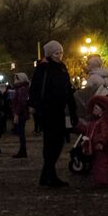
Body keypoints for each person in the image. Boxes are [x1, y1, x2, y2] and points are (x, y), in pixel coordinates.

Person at [31, 41, 78, 188]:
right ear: (50, 54)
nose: (59, 56)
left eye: (61, 53)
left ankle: (47, 174)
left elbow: (68, 89)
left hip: (59, 109)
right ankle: (49, 175)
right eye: (56, 53)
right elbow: (36, 89)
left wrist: (72, 109)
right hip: (48, 109)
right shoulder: (44, 68)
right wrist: (38, 108)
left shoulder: (62, 68)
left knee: (58, 142)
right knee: (51, 143)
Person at [80, 93, 108, 188]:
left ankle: (102, 181)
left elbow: (104, 133)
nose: (94, 110)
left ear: (101, 111)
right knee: (96, 163)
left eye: (96, 108)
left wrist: (100, 142)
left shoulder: (103, 122)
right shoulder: (94, 121)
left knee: (101, 163)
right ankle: (99, 180)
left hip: (101, 146)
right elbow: (87, 130)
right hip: (94, 146)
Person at [9, 72, 31, 158]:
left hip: (21, 114)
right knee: (20, 132)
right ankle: (22, 150)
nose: (15, 80)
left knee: (21, 133)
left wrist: (17, 114)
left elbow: (21, 102)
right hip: (20, 113)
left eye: (16, 79)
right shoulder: (21, 88)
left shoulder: (21, 88)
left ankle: (23, 150)